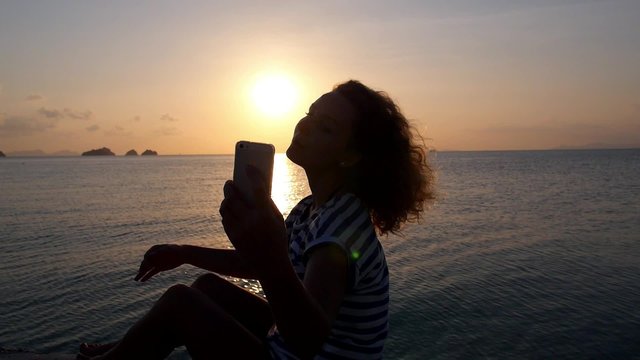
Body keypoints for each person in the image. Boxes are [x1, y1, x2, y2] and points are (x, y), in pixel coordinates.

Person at [77, 80, 435, 360]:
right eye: (309, 114)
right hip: (292, 348)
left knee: (180, 304)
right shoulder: (314, 208)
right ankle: (124, 350)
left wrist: (271, 254)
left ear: (351, 156)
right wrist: (184, 252)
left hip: (301, 354)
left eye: (325, 128)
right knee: (205, 287)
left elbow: (308, 339)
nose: (307, 126)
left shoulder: (339, 233)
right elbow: (258, 265)